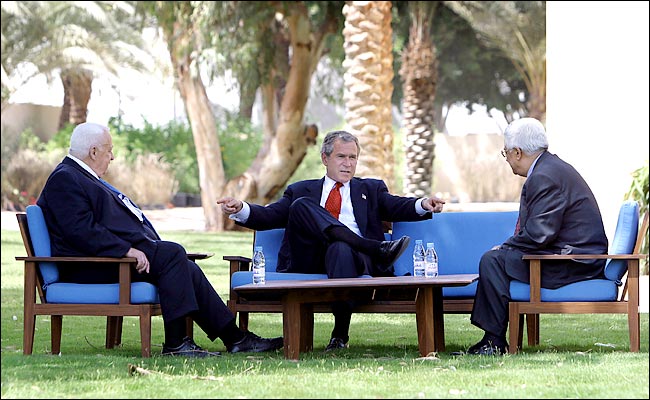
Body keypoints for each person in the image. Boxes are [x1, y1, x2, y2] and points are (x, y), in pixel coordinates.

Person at [36, 122, 283, 358]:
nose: (112, 157)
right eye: (109, 151)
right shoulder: (65, 178)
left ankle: (236, 339)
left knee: (185, 265)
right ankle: (177, 344)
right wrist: (126, 250)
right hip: (91, 266)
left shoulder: (81, 176)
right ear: (93, 151)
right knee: (172, 253)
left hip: (108, 259)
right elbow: (80, 231)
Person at [218, 130, 445, 351]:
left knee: (340, 247)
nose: (348, 163)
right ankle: (376, 249)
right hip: (310, 259)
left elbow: (396, 205)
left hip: (351, 260)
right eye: (341, 157)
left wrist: (423, 204)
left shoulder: (371, 189)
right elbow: (269, 216)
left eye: (352, 157)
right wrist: (241, 208)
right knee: (301, 206)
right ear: (325, 158)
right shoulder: (300, 190)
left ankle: (339, 335)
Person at [467, 117, 608, 355]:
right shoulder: (550, 168)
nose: (508, 160)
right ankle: (492, 339)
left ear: (517, 152)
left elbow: (540, 234)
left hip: (573, 263)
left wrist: (503, 248)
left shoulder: (545, 175)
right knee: (497, 259)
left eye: (506, 154)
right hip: (571, 255)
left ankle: (493, 342)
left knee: (492, 261)